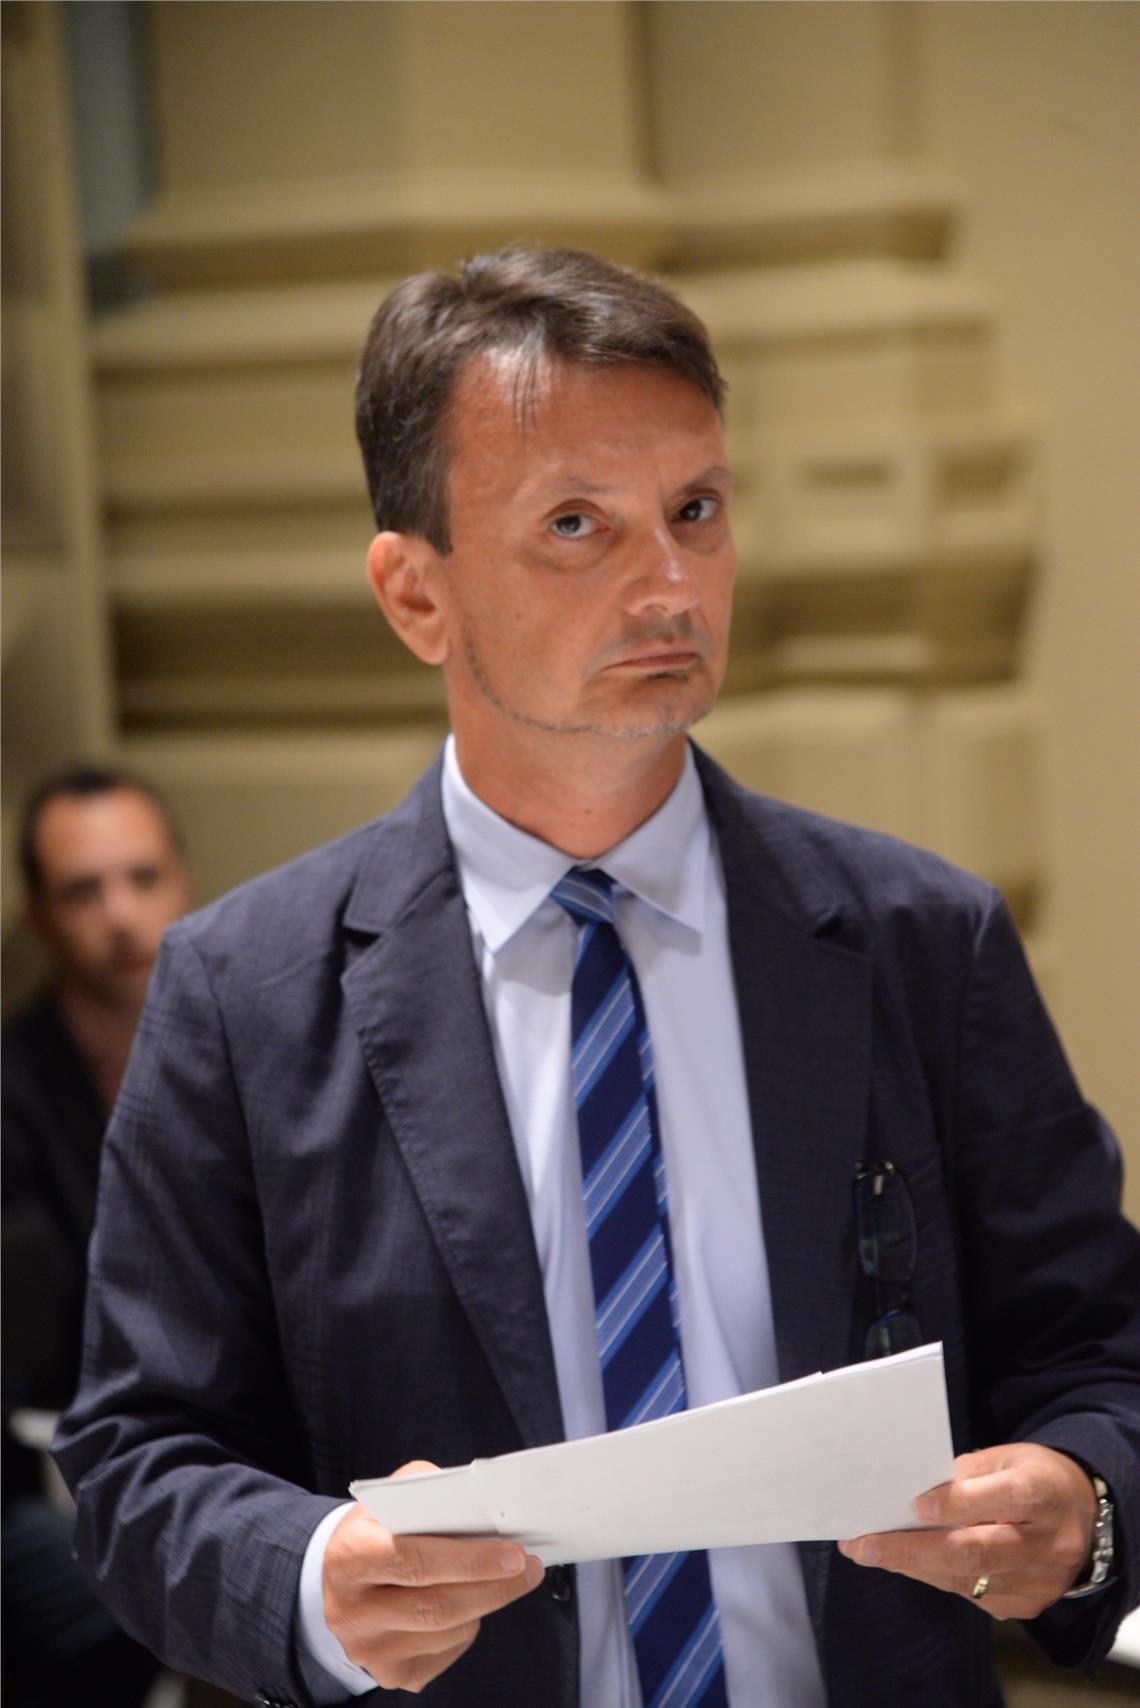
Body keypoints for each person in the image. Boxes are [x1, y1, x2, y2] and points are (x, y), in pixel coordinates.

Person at [55, 247, 1138, 1708]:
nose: (670, 583)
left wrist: (1083, 1498)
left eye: (696, 511)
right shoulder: (242, 995)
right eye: (578, 525)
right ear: (415, 594)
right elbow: (135, 1465)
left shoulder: (920, 938)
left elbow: (1100, 1355)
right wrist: (313, 1576)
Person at [3, 766, 190, 1705]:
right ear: (38, 919)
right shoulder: (12, 1096)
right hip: (40, 1474)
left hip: (223, 1447)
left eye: (142, 878)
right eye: (84, 891)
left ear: (183, 883)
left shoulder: (250, 1060)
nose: (120, 915)